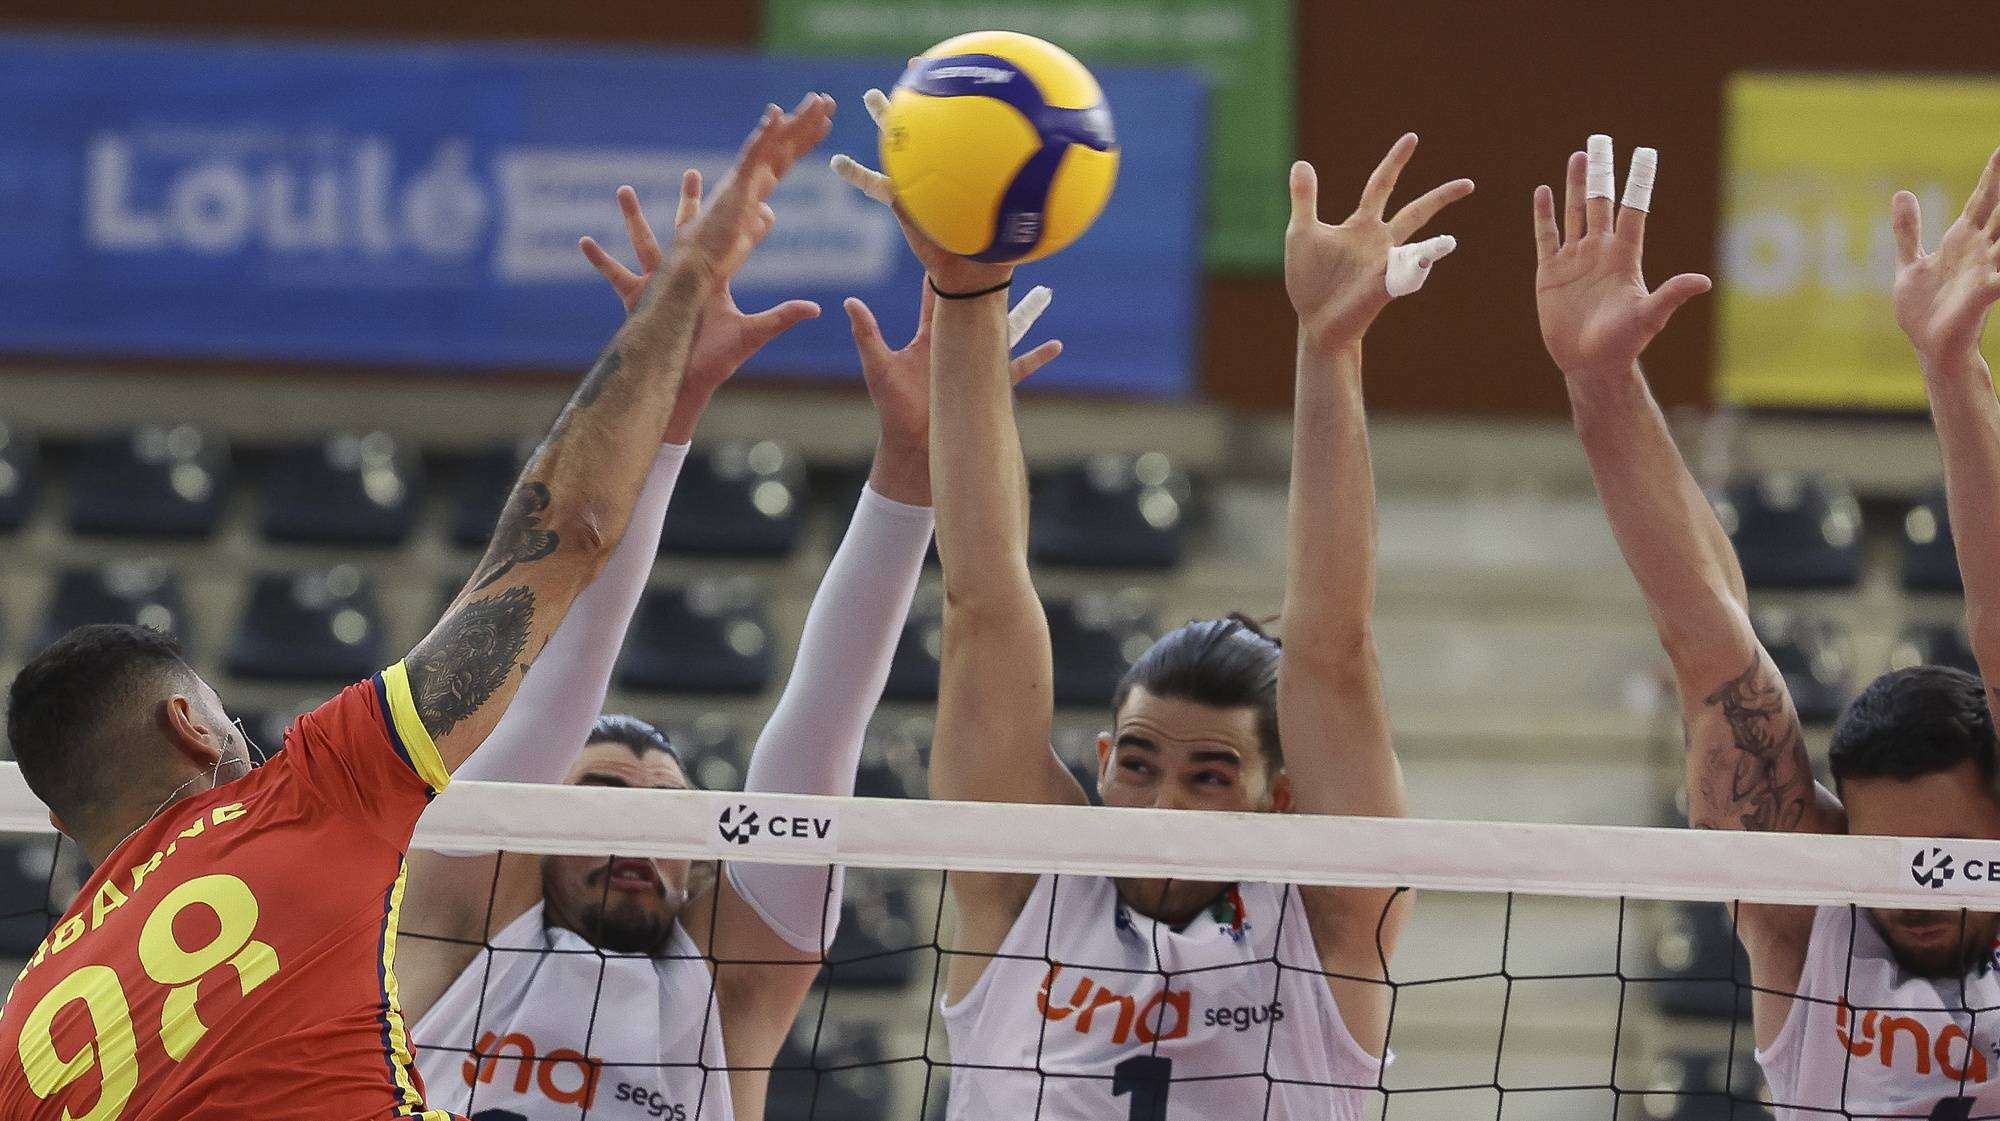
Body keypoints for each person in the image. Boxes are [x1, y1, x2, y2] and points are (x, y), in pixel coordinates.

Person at [0, 94, 836, 1121]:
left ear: (56, 813)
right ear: (189, 723)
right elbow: (566, 529)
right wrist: (678, 300)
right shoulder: (304, 797)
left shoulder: (27, 1022)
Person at [836, 101, 1469, 1118]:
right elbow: (983, 599)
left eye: (1209, 773)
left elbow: (1333, 649)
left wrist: (1326, 346)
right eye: (1137, 763)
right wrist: (964, 293)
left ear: (1281, 799)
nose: (1161, 805)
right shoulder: (1024, 890)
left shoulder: (1329, 922)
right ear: (1097, 761)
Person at [396, 179, 1059, 1121]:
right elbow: (554, 698)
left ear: (700, 866)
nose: (633, 835)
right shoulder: (457, 923)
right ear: (534, 842)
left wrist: (912, 465)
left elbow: (821, 729)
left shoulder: (726, 990)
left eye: (669, 816)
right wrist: (671, 392)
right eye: (600, 801)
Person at [1536, 135, 2000, 1115]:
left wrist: (1950, 370)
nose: (1913, 887)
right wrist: (1600, 386)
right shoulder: (1805, 918)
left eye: (1948, 856)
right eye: (1883, 854)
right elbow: (1707, 638)